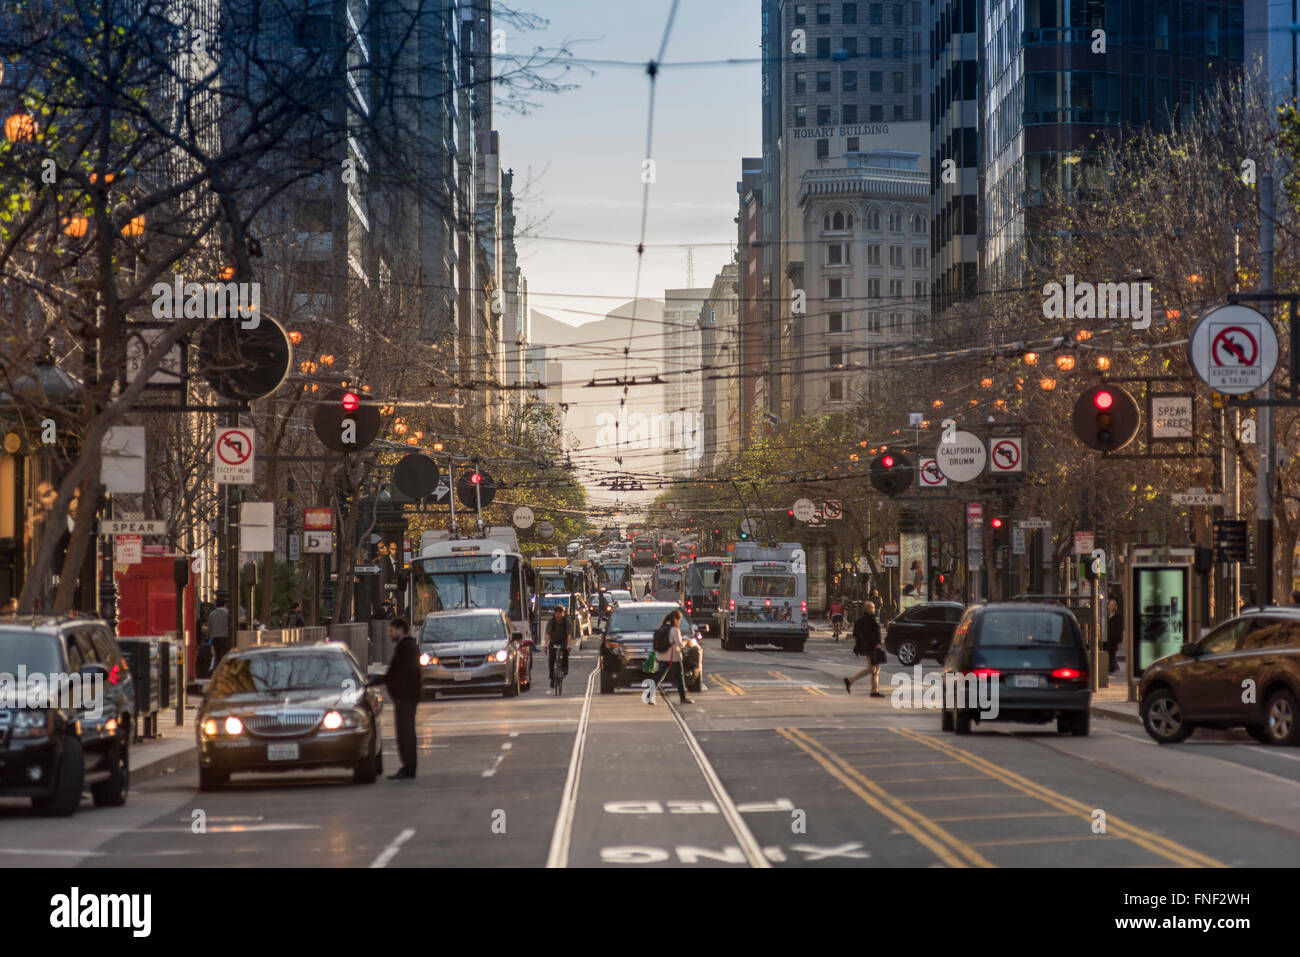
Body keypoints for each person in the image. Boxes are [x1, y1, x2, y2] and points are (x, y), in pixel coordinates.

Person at [384, 617, 420, 779]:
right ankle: (407, 766)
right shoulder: (405, 646)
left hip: (405, 698)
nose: (389, 634)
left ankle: (409, 767)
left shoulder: (407, 647)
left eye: (391, 631)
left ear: (400, 630)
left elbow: (403, 673)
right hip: (404, 697)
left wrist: (401, 693)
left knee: (406, 733)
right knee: (404, 733)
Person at [648, 609, 694, 705]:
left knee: (658, 677)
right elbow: (679, 644)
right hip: (674, 657)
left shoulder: (662, 628)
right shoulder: (674, 629)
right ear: (677, 619)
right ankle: (683, 698)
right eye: (680, 619)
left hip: (662, 656)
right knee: (679, 678)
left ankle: (649, 695)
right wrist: (687, 642)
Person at [845, 600, 884, 697]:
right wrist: (878, 643)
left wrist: (859, 646)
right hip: (871, 648)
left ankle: (874, 690)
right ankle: (850, 680)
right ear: (867, 609)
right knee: (872, 669)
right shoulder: (870, 620)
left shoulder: (861, 621)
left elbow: (855, 635)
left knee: (875, 669)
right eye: (872, 607)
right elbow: (873, 634)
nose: (874, 609)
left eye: (874, 607)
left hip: (867, 647)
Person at [546, 605, 572, 684]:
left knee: (565, 654)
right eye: (556, 613)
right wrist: (545, 644)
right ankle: (552, 676)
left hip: (563, 641)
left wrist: (569, 644)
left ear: (563, 613)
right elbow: (548, 633)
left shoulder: (567, 621)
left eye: (560, 613)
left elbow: (569, 634)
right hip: (554, 641)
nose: (558, 615)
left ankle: (564, 669)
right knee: (551, 658)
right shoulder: (551, 621)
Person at [207, 598, 231, 669]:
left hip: (215, 637)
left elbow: (210, 627)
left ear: (216, 605)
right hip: (225, 636)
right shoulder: (228, 613)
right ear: (224, 605)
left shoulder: (211, 614)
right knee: (225, 654)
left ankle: (217, 669)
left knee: (217, 655)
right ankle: (225, 669)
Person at [1106, 597, 1123, 674]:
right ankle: (1113, 666)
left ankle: (1111, 668)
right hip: (1107, 637)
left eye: (1113, 605)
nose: (1111, 606)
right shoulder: (1106, 615)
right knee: (1109, 653)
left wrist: (1119, 639)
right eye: (1110, 604)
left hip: (1114, 638)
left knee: (1112, 653)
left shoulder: (1118, 616)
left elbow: (1119, 628)